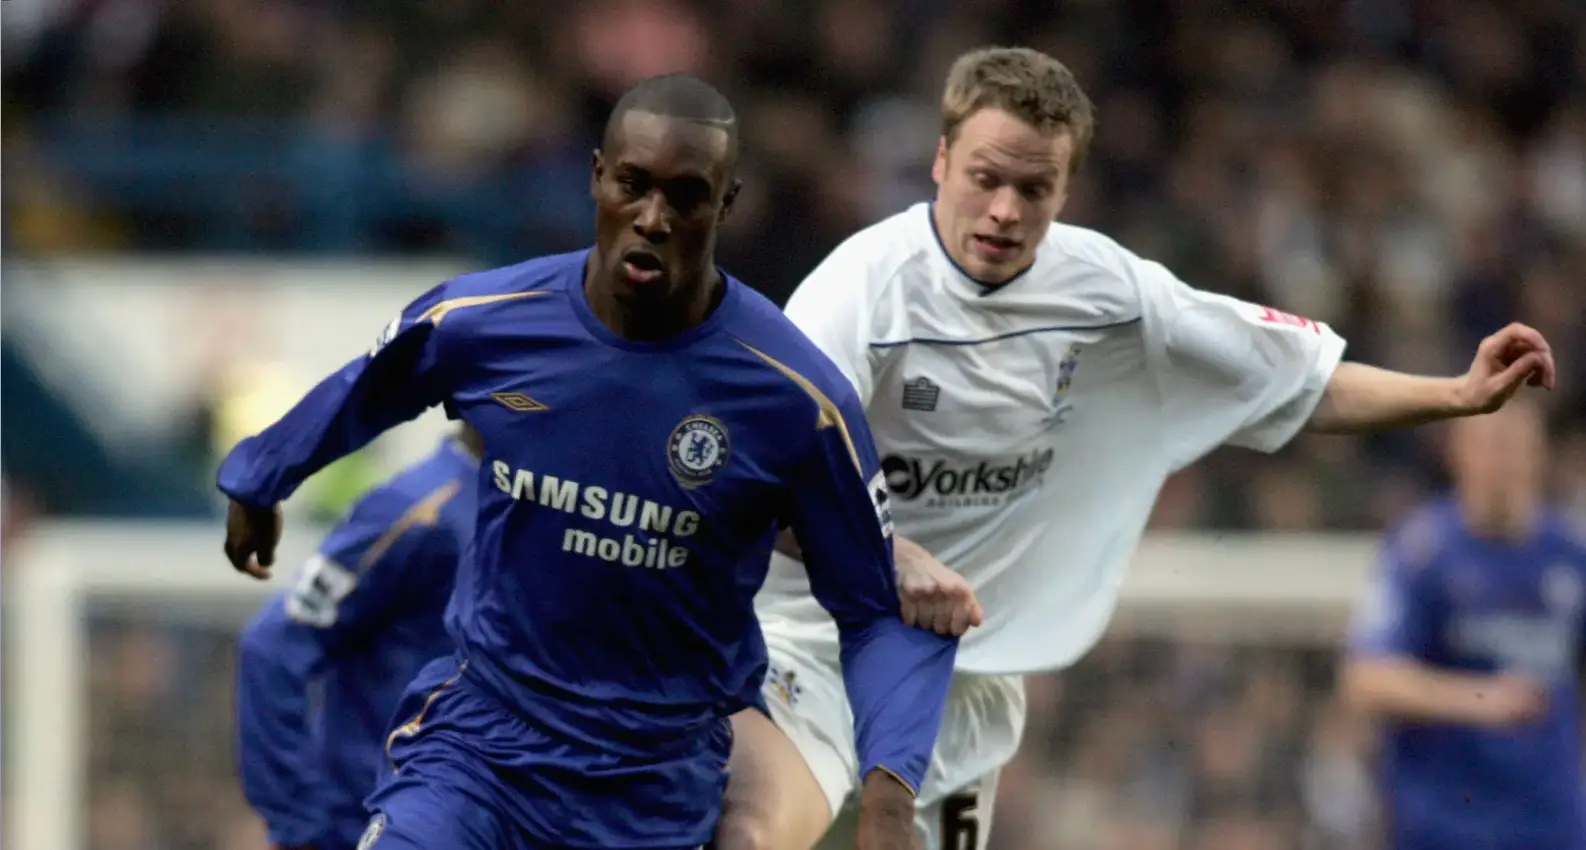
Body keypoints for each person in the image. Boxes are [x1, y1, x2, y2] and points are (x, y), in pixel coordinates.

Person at [713, 46, 1557, 850]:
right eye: (985, 178)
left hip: (969, 674)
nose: (1005, 210)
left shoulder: (1107, 290)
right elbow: (763, 482)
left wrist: (1456, 394)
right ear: (940, 161)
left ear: (1066, 189)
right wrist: (890, 555)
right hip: (815, 639)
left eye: (1034, 188)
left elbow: (1301, 380)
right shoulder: (860, 292)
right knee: (747, 831)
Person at [217, 74, 957, 850]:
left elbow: (871, 608)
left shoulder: (794, 397)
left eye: (686, 196)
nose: (652, 218)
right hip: (478, 748)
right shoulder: (488, 321)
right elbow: (370, 384)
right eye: (633, 185)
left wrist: (889, 800)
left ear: (727, 203)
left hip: (650, 786)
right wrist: (260, 477)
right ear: (598, 176)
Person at [1341, 399, 1586, 850]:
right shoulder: (1421, 553)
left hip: (1550, 824)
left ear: (1540, 454)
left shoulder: (1570, 556)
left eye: (1513, 445)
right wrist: (1478, 699)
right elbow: (1367, 679)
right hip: (1444, 826)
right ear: (1457, 453)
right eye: (1488, 444)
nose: (1501, 460)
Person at [235, 429, 478, 850]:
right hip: (378, 825)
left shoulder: (544, 512)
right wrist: (302, 828)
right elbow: (273, 647)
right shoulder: (419, 507)